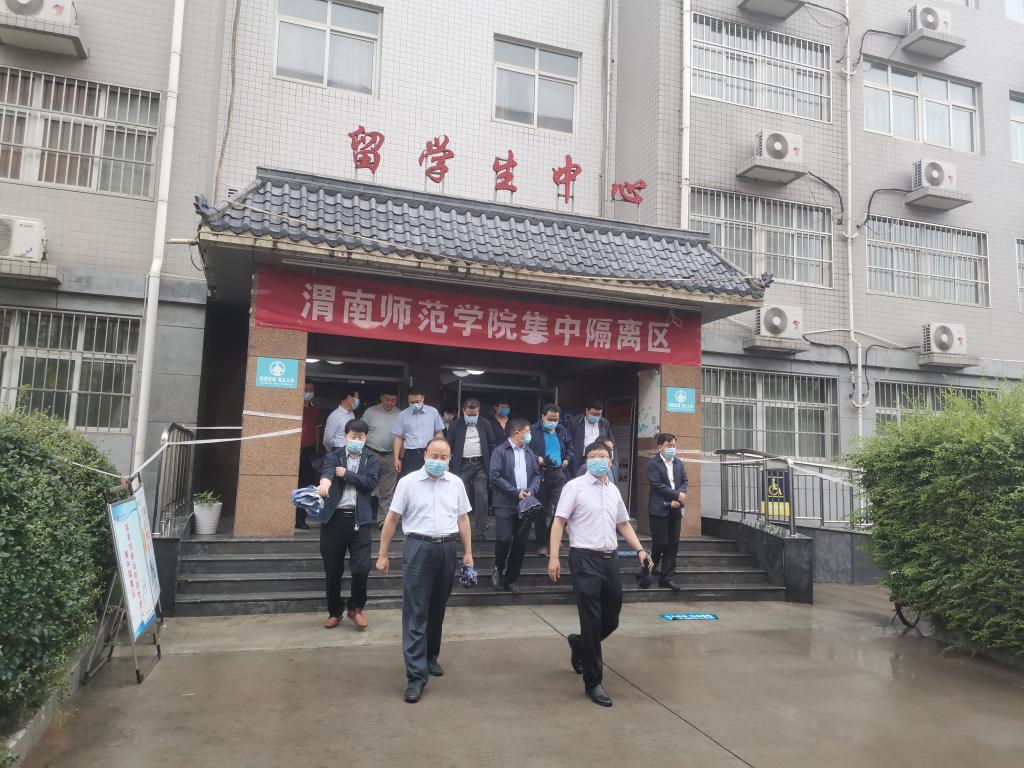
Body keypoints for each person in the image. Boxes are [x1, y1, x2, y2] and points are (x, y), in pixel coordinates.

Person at [548, 441, 649, 707]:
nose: (598, 460)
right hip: (584, 560)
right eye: (593, 456)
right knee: (591, 621)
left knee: (611, 619)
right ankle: (593, 682)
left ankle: (580, 643)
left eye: (602, 456)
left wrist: (640, 550)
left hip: (610, 560)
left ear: (611, 460)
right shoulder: (574, 487)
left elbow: (623, 523)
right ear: (586, 461)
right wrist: (554, 557)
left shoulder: (613, 490)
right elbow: (559, 521)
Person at [376, 438, 474, 703]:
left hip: (447, 549)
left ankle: (430, 657)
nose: (438, 461)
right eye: (434, 456)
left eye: (444, 457)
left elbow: (463, 518)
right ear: (425, 455)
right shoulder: (408, 483)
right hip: (418, 548)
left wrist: (468, 552)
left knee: (437, 608)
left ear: (450, 459)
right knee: (416, 612)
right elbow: (392, 519)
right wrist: (383, 554)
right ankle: (415, 677)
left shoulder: (456, 483)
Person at [316, 420, 379, 630]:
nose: (357, 440)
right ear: (345, 437)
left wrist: (348, 474)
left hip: (359, 521)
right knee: (333, 570)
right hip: (334, 520)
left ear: (366, 438)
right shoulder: (333, 457)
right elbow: (327, 473)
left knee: (361, 568)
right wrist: (324, 484)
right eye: (353, 436)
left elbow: (370, 483)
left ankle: (355, 609)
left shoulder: (371, 459)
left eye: (361, 437)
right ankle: (335, 612)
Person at [488, 417, 541, 594]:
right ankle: (498, 566)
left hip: (525, 504)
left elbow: (536, 475)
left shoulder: (529, 452)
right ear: (517, 433)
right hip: (504, 503)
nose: (530, 435)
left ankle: (511, 580)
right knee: (504, 539)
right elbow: (494, 476)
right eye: (528, 432)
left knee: (520, 543)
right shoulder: (500, 451)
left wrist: (531, 490)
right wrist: (515, 492)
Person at [447, 398, 495, 540]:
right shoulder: (455, 424)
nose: (472, 417)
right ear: (463, 411)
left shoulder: (485, 423)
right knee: (461, 498)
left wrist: (492, 463)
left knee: (482, 497)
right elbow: (448, 444)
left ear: (479, 412)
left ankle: (480, 530)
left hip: (481, 464)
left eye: (475, 414)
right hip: (462, 465)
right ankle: (460, 530)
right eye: (469, 414)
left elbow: (491, 443)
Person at [529, 404, 574, 556]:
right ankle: (541, 543)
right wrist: (538, 459)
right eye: (550, 419)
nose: (553, 422)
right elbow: (525, 450)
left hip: (558, 474)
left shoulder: (562, 430)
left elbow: (570, 447)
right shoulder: (533, 430)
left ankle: (551, 535)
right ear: (542, 416)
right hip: (540, 474)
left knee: (562, 507)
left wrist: (567, 459)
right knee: (540, 511)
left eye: (556, 419)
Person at [646, 433, 688, 590]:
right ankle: (649, 567)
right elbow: (657, 485)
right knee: (660, 542)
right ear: (660, 447)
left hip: (676, 509)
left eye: (674, 445)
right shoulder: (653, 464)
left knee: (673, 544)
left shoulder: (678, 463)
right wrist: (676, 495)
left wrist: (680, 497)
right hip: (659, 508)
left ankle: (667, 577)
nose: (672, 448)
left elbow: (684, 481)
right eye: (669, 445)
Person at [362, 389, 400, 527]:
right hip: (370, 453)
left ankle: (383, 521)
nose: (390, 403)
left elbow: (402, 437)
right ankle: (363, 518)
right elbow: (361, 431)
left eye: (393, 400)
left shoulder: (400, 414)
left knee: (387, 490)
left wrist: (399, 457)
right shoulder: (370, 412)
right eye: (387, 400)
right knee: (365, 486)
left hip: (391, 455)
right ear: (381, 398)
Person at [391, 387, 445, 478]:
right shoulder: (403, 415)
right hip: (411, 454)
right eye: (411, 402)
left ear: (423, 398)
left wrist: (440, 451)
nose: (415, 404)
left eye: (417, 401)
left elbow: (438, 432)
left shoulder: (433, 412)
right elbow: (398, 437)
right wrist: (396, 458)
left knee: (431, 478)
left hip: (430, 452)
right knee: (411, 479)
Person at [296, 381, 321, 530]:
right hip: (294, 451)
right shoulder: (294, 406)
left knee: (306, 486)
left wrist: (317, 451)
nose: (309, 391)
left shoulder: (315, 409)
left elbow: (317, 430)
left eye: (311, 389)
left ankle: (300, 519)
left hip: (309, 451)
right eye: (306, 389)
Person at [568, 400, 614, 472]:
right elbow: (568, 442)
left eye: (599, 414)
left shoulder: (604, 423)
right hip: (580, 461)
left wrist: (614, 464)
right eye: (594, 414)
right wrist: (570, 459)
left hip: (600, 460)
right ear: (587, 410)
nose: (596, 416)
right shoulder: (575, 422)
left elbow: (611, 443)